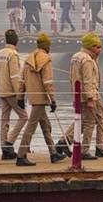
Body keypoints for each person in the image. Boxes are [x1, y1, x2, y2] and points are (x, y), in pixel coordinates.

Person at [55, 33, 103, 160]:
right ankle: (88, 150)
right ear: (90, 47)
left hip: (78, 94)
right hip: (90, 94)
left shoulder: (76, 57)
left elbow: (73, 78)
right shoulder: (87, 60)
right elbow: (88, 80)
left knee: (81, 120)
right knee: (91, 122)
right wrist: (91, 98)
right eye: (97, 47)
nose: (100, 49)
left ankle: (63, 142)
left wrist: (75, 96)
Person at [16, 33, 66, 166]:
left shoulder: (29, 59)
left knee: (46, 126)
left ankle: (53, 153)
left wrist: (20, 96)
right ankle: (21, 155)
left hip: (33, 97)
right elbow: (48, 82)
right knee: (30, 127)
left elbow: (21, 80)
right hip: (41, 99)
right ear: (47, 46)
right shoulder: (46, 60)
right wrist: (53, 99)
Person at [0, 30, 27, 160]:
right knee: (24, 116)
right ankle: (9, 143)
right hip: (11, 91)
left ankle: (4, 149)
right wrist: (20, 95)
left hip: (2, 90)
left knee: (4, 120)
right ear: (16, 41)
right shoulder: (13, 55)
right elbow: (15, 76)